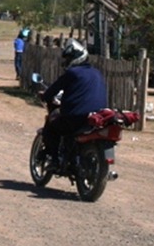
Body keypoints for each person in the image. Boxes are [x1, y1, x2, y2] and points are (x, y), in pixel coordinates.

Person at [39, 39, 107, 168]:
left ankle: (54, 161)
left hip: (76, 117)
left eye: (69, 57)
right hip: (97, 116)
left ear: (77, 57)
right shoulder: (97, 73)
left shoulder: (72, 73)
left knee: (51, 125)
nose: (67, 61)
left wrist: (45, 96)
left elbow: (53, 90)